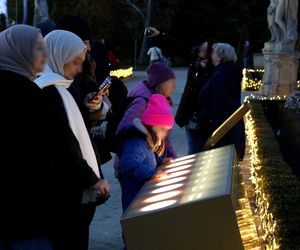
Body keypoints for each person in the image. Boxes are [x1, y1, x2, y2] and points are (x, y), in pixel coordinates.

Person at [35, 30, 110, 250]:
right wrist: (91, 180)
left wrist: (91, 107)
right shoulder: (49, 92)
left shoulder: (60, 86)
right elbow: (65, 144)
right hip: (67, 195)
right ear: (58, 56)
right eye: (75, 62)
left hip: (72, 191)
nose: (78, 69)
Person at [0, 25, 53, 249]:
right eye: (38, 48)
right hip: (27, 212)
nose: (46, 55)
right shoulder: (29, 94)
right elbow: (44, 154)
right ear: (19, 50)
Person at [116, 94, 174, 211]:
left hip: (141, 193)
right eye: (162, 129)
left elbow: (147, 157)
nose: (164, 134)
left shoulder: (147, 140)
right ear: (152, 126)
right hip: (134, 197)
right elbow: (129, 163)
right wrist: (151, 173)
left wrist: (161, 161)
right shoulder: (136, 143)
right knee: (134, 227)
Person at [195, 43, 246, 160]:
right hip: (230, 125)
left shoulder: (221, 74)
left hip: (220, 128)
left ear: (220, 57)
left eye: (213, 53)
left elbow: (218, 103)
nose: (211, 55)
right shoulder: (230, 71)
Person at [116, 62, 177, 158]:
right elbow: (123, 132)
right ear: (160, 83)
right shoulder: (142, 102)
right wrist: (147, 137)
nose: (174, 86)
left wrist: (170, 156)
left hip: (151, 160)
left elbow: (164, 138)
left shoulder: (161, 101)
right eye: (171, 82)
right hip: (135, 163)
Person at [175, 40, 216, 154]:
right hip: (190, 118)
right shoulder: (196, 64)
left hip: (199, 120)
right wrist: (160, 35)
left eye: (204, 48)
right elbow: (179, 48)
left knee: (196, 151)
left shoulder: (210, 71)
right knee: (193, 148)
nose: (200, 49)